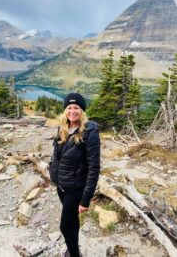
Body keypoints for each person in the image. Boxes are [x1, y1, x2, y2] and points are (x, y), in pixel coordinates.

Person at [50, 92, 100, 257]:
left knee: (64, 226)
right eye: (69, 107)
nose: (72, 111)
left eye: (76, 107)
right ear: (65, 110)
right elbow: (56, 155)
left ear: (82, 110)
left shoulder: (89, 132)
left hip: (76, 189)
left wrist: (85, 199)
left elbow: (94, 168)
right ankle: (74, 249)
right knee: (72, 221)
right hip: (62, 185)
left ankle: (73, 254)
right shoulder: (62, 128)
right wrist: (53, 173)